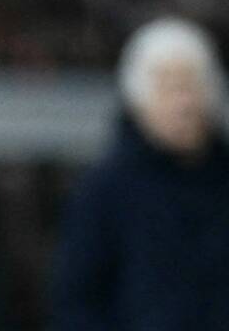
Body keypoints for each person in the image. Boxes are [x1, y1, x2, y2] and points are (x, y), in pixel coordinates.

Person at [50, 17, 229, 331]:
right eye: (168, 88)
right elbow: (77, 303)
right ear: (138, 99)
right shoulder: (104, 190)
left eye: (191, 85)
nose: (183, 103)